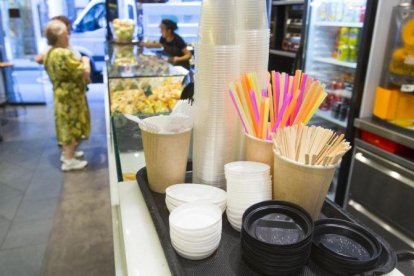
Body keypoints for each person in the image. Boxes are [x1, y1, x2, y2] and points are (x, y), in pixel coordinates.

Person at [43, 20, 91, 171]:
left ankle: (68, 153)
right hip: (69, 98)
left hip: (63, 96)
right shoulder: (62, 54)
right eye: (65, 33)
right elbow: (84, 71)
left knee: (66, 125)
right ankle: (69, 161)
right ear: (58, 35)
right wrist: (86, 60)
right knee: (70, 126)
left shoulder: (50, 52)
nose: (68, 36)